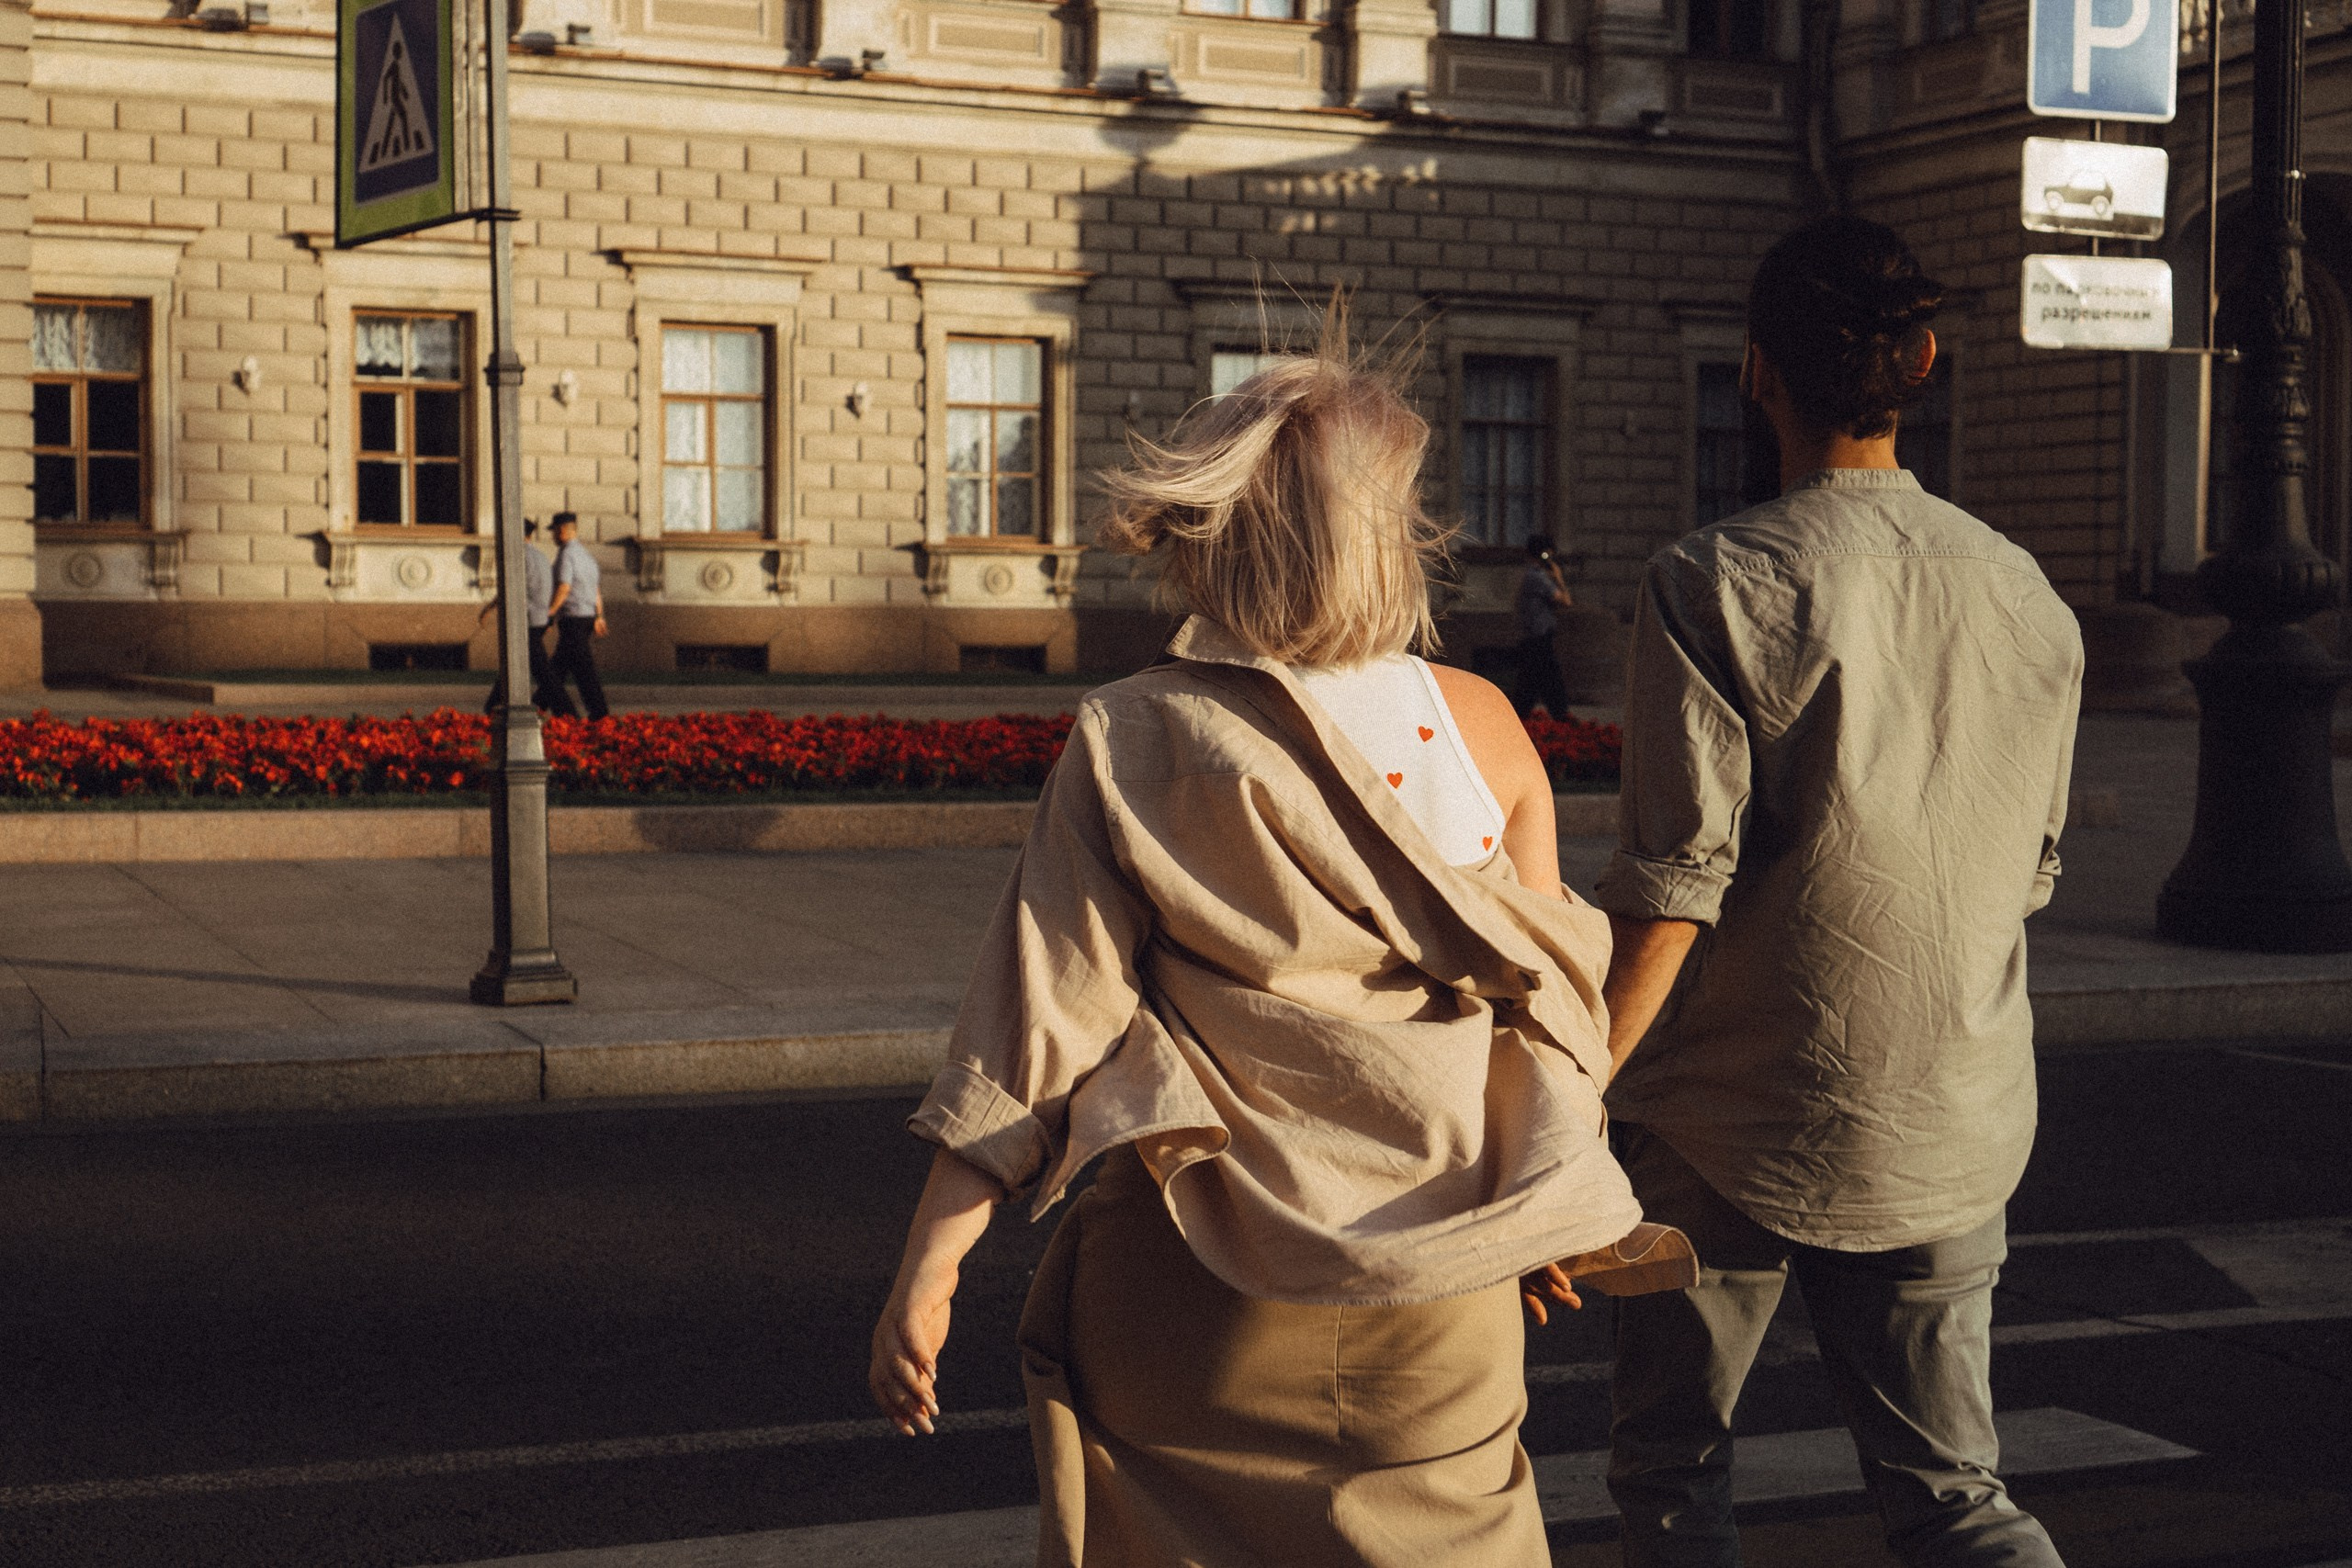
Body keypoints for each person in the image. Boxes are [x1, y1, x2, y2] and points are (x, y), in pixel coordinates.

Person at [868, 345, 1694, 1568]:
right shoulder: (1482, 724)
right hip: (1445, 1285)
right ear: (1384, 536)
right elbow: (1558, 1016)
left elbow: (1041, 1019)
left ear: (1220, 535)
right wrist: (1542, 1208)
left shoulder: (1136, 731)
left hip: (1198, 1270)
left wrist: (929, 1262)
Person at [1592, 215, 2083, 1568]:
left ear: (1755, 371)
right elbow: (2031, 868)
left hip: (1724, 1124)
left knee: (1672, 1476)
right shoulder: (2032, 596)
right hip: (1950, 1118)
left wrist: (1571, 1089)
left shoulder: (1712, 582)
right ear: (1921, 361)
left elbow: (1674, 886)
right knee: (1956, 1497)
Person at [477, 517, 558, 716]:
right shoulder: (541, 557)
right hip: (539, 619)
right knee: (518, 666)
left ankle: (567, 712)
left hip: (526, 621)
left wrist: (489, 608)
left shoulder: (518, 557)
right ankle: (493, 705)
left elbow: (510, 588)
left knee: (540, 673)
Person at [544, 511, 609, 723]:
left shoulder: (566, 555)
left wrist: (550, 612)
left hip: (573, 618)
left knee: (583, 670)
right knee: (558, 669)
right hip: (587, 618)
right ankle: (539, 705)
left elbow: (564, 587)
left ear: (562, 530)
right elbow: (595, 590)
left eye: (553, 531)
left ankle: (599, 714)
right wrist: (599, 616)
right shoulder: (587, 557)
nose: (552, 536)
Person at [1513, 534, 1574, 718]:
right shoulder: (1537, 577)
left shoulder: (1533, 575)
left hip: (1537, 636)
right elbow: (1566, 601)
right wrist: (1558, 578)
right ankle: (1560, 716)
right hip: (1538, 637)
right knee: (1546, 679)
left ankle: (1524, 715)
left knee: (1532, 682)